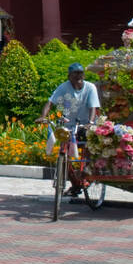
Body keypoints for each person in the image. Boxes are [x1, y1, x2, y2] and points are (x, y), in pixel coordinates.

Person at [37, 62, 101, 196]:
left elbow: (93, 108)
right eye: (75, 74)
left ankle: (87, 171)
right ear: (69, 76)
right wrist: (43, 116)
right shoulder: (64, 87)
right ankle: (75, 184)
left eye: (80, 73)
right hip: (69, 126)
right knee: (64, 154)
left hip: (85, 124)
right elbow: (50, 102)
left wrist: (90, 122)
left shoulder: (90, 88)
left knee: (88, 149)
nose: (78, 76)